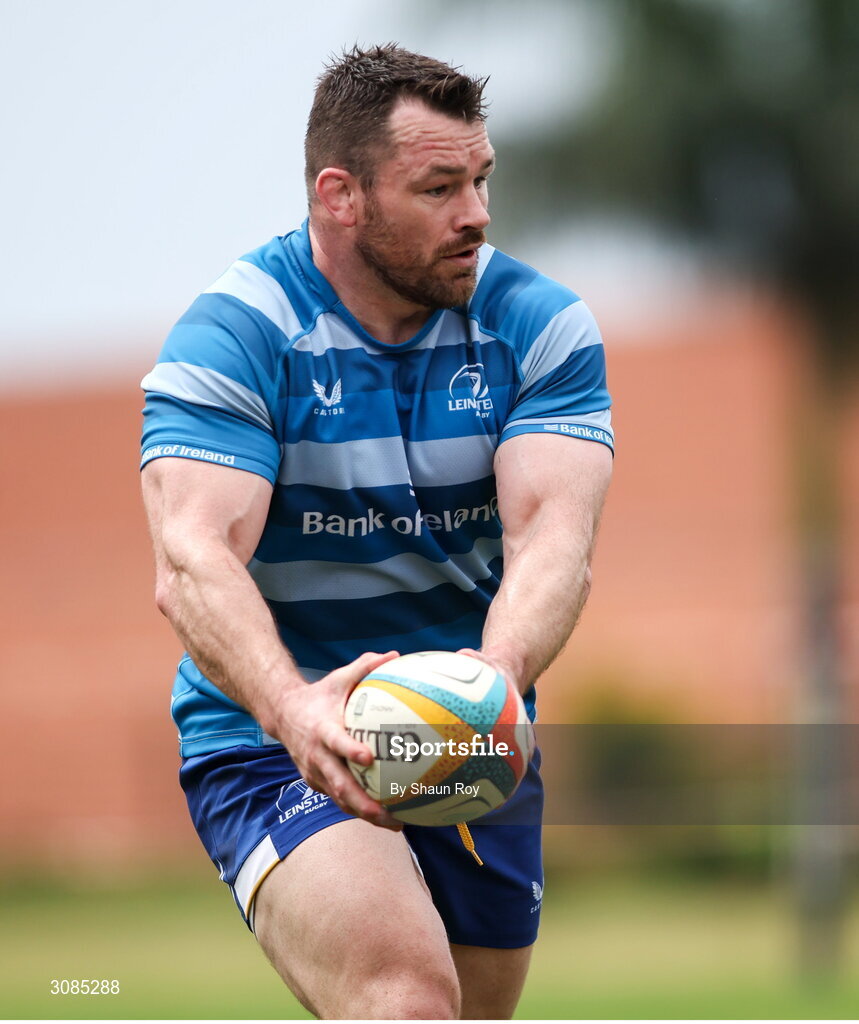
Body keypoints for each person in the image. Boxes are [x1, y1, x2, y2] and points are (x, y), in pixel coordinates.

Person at [140, 43, 613, 1020]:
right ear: (340, 195)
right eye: (439, 186)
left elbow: (552, 546)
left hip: (470, 724)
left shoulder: (541, 328)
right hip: (271, 732)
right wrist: (291, 708)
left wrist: (489, 684)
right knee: (404, 999)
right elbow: (192, 560)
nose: (476, 212)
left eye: (481, 179)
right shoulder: (237, 337)